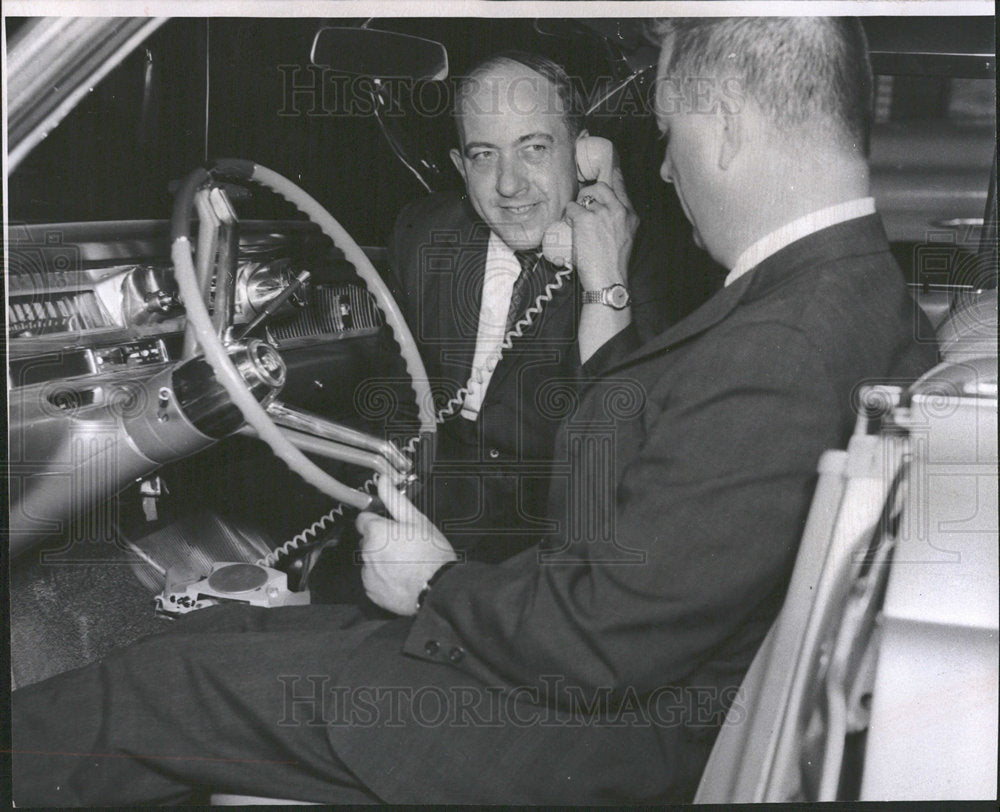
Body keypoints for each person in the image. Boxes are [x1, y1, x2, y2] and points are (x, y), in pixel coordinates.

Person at [12, 17, 939, 805]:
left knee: (166, 680)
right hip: (612, 688)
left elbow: (600, 633)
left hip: (593, 738)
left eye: (668, 133)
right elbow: (643, 519)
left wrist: (436, 584)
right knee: (227, 635)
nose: (661, 165)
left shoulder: (778, 343)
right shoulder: (853, 301)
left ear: (725, 127)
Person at [376, 51, 674, 565]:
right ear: (459, 166)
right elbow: (402, 400)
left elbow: (625, 456)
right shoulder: (423, 232)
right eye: (484, 155)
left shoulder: (651, 268)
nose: (508, 185)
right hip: (421, 529)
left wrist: (604, 277)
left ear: (583, 158)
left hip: (552, 557)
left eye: (533, 148)